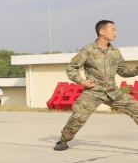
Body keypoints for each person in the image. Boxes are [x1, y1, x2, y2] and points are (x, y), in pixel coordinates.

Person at [54, 20, 138, 151]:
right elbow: (71, 68)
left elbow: (123, 71)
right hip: (93, 92)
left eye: (116, 30)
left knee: (136, 109)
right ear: (102, 31)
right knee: (78, 117)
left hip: (112, 92)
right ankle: (63, 141)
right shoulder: (88, 50)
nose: (116, 33)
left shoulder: (115, 52)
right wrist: (81, 81)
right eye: (113, 30)